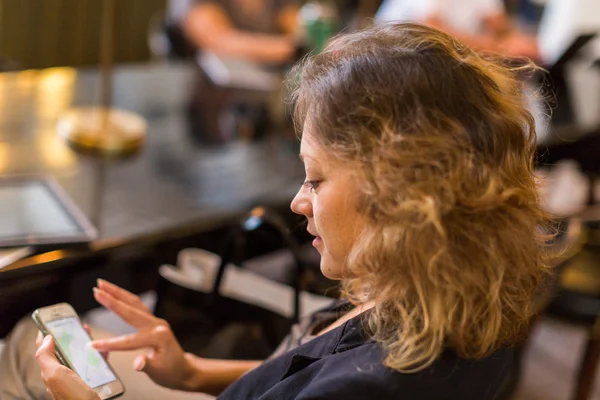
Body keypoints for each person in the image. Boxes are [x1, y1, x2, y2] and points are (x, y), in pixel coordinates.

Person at [2, 23, 552, 399]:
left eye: (316, 178)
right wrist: (193, 370)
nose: (298, 201)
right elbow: (302, 380)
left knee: (26, 345)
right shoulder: (456, 297)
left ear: (400, 195)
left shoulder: (367, 388)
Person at [376, 0, 540, 60]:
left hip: (449, 57)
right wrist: (498, 47)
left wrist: (522, 41)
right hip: (397, 61)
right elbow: (433, 31)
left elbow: (499, 25)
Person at [180, 0, 299, 65]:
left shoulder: (277, 4)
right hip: (213, 98)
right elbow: (217, 40)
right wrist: (290, 49)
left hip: (268, 91)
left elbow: (298, 28)